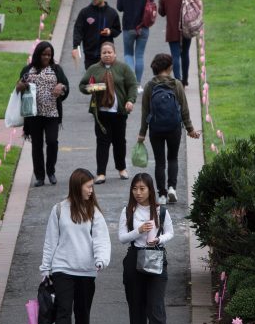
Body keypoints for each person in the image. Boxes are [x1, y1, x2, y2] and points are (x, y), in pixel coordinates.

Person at [40, 168, 111, 324]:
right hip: (62, 267)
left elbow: (101, 240)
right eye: (88, 187)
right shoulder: (59, 210)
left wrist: (101, 259)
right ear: (77, 186)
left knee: (82, 308)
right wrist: (45, 269)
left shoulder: (94, 212)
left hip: (87, 270)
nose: (91, 191)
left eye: (92, 187)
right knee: (63, 306)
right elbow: (50, 241)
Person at [119, 173, 174, 324]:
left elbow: (170, 233)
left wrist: (158, 239)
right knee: (136, 302)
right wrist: (138, 231)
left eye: (142, 189)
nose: (138, 193)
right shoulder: (128, 211)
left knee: (155, 302)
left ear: (150, 190)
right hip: (135, 257)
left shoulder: (160, 211)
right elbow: (122, 237)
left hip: (156, 256)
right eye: (135, 189)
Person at [137, 53, 200, 203]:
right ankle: (172, 187)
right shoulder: (176, 84)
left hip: (155, 128)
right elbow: (184, 109)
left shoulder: (149, 86)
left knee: (160, 162)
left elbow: (145, 111)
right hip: (174, 127)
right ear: (169, 67)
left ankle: (162, 194)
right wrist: (190, 129)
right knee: (172, 158)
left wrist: (142, 133)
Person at [80, 42, 138, 184]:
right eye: (104, 52)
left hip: (119, 113)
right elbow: (82, 86)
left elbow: (132, 85)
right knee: (102, 143)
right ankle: (101, 173)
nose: (107, 55)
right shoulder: (94, 69)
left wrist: (130, 101)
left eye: (109, 52)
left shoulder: (123, 68)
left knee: (119, 142)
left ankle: (121, 168)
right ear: (100, 55)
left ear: (115, 53)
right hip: (101, 114)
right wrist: (93, 88)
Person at [16, 41, 71, 187]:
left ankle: (51, 171)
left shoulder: (56, 69)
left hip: (52, 113)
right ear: (38, 54)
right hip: (34, 114)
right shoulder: (28, 70)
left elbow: (66, 87)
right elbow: (18, 87)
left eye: (49, 54)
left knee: (52, 142)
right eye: (44, 54)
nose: (47, 57)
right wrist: (22, 85)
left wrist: (61, 86)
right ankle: (39, 176)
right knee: (37, 146)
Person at [116, 0, 153, 84]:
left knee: (128, 54)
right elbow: (152, 4)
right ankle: (137, 84)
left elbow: (120, 7)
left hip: (128, 26)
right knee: (140, 56)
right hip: (143, 26)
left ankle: (131, 81)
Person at [73, 0, 122, 68]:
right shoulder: (85, 12)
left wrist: (110, 32)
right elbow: (78, 30)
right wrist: (75, 47)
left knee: (106, 78)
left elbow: (117, 30)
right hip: (90, 54)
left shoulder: (112, 13)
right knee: (91, 79)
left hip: (106, 54)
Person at [157, 0, 192, 86]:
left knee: (175, 56)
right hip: (186, 29)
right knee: (185, 53)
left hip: (172, 30)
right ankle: (185, 79)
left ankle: (178, 81)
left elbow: (161, 13)